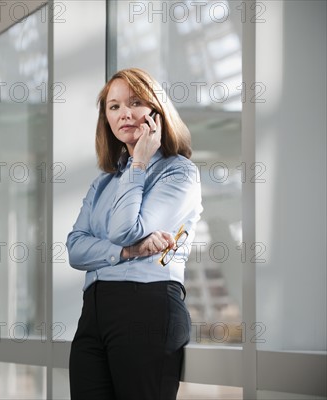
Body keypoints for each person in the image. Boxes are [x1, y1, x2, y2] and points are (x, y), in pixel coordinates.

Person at [66, 68, 203, 400]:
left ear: (157, 112)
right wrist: (127, 252)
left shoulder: (179, 172)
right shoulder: (104, 182)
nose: (124, 113)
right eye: (113, 107)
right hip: (94, 314)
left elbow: (125, 229)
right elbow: (75, 249)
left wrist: (139, 164)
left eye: (135, 102)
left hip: (147, 308)